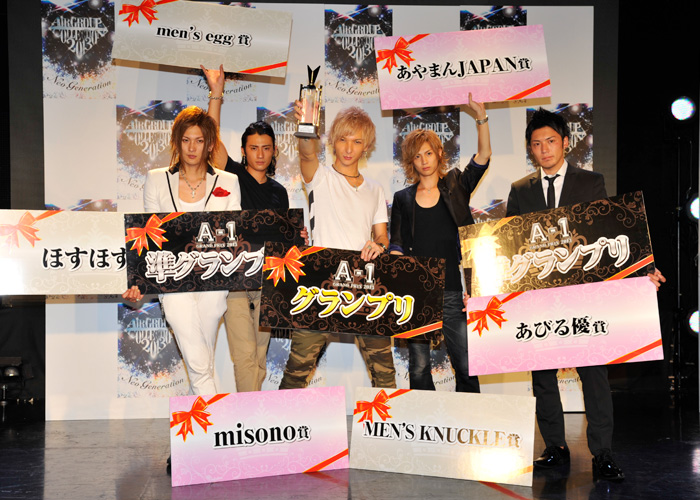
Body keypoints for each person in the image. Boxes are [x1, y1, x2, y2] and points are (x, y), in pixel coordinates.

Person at [506, 108, 665, 481]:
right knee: (542, 376)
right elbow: (507, 246)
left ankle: (602, 452)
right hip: (539, 300)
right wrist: (481, 293)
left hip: (584, 297)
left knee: (594, 375)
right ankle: (555, 447)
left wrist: (643, 269)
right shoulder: (520, 190)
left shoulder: (591, 182)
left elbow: (610, 231)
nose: (544, 149)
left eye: (550, 141)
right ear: (530, 149)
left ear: (565, 142)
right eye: (536, 144)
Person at [123, 106, 241, 396]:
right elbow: (150, 235)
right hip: (171, 277)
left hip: (214, 277)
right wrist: (137, 279)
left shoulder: (228, 181)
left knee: (199, 351)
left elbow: (236, 233)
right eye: (186, 140)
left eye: (199, 140)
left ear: (209, 144)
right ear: (176, 141)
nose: (192, 147)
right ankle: (213, 410)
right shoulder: (156, 179)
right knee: (194, 347)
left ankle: (197, 410)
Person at [278, 105, 396, 390]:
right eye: (343, 139)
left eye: (357, 141)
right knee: (296, 372)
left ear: (366, 146)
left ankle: (387, 419)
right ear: (332, 141)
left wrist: (378, 246)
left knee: (385, 374)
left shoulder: (375, 189)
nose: (348, 148)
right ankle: (283, 416)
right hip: (321, 286)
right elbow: (307, 154)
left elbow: (383, 236)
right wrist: (307, 125)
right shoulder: (320, 177)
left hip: (365, 288)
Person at [390, 93, 490, 392]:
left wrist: (481, 117)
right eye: (417, 156)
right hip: (416, 293)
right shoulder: (403, 199)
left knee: (466, 363)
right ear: (411, 162)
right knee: (419, 367)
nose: (424, 161)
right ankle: (426, 418)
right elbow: (396, 244)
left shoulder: (456, 185)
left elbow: (483, 155)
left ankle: (469, 416)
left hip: (452, 291)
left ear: (438, 154)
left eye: (428, 153)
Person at [203, 65, 289, 392]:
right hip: (236, 279)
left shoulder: (280, 192)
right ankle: (250, 415)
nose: (260, 154)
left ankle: (251, 412)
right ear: (243, 151)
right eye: (254, 148)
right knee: (244, 355)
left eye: (266, 148)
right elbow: (211, 141)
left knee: (260, 357)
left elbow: (284, 238)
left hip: (267, 281)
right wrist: (216, 93)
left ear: (274, 150)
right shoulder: (232, 177)